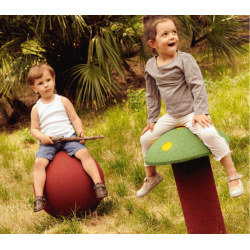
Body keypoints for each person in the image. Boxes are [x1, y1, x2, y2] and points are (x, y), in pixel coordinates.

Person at [137, 15, 244, 198]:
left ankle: (233, 175)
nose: (172, 37)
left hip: (191, 114)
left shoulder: (185, 59)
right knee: (146, 138)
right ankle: (152, 176)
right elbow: (152, 94)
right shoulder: (150, 65)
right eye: (165, 34)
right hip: (172, 116)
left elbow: (197, 85)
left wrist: (200, 111)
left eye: (174, 32)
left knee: (210, 134)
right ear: (153, 43)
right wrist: (152, 119)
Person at [28, 64, 108, 212]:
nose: (46, 85)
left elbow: (75, 118)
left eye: (48, 80)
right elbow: (34, 129)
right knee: (39, 163)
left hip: (69, 137)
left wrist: (80, 132)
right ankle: (39, 197)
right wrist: (42, 137)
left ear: (54, 80)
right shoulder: (36, 108)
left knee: (84, 153)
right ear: (34, 88)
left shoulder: (62, 100)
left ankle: (98, 184)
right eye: (40, 83)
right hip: (49, 142)